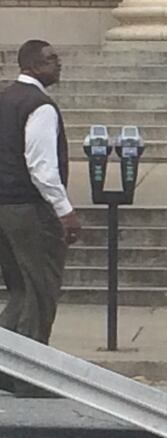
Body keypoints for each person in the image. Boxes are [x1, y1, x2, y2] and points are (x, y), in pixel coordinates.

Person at [0, 40, 81, 397]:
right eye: (51, 60)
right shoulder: (39, 106)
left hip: (4, 206)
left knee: (19, 290)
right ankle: (30, 375)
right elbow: (42, 167)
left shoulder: (5, 100)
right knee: (40, 290)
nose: (58, 64)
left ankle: (5, 366)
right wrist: (65, 212)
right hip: (30, 209)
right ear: (32, 65)